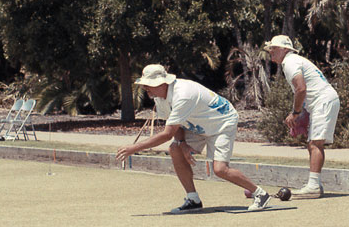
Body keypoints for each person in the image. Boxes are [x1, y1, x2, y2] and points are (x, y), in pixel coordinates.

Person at [115, 64, 269, 212]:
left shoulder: (183, 95)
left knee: (220, 170)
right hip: (197, 125)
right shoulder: (159, 98)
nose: (145, 88)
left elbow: (167, 134)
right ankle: (193, 199)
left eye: (149, 84)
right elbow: (176, 125)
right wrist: (182, 143)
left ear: (162, 83)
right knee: (174, 148)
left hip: (222, 123)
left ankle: (260, 194)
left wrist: (133, 148)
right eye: (145, 85)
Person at [264, 35, 341, 199]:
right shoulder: (293, 61)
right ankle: (315, 184)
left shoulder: (290, 62)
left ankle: (313, 187)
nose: (270, 51)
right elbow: (304, 91)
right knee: (313, 144)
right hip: (322, 101)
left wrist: (296, 113)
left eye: (274, 48)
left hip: (323, 101)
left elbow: (301, 89)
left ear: (285, 49)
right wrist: (302, 115)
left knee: (315, 144)